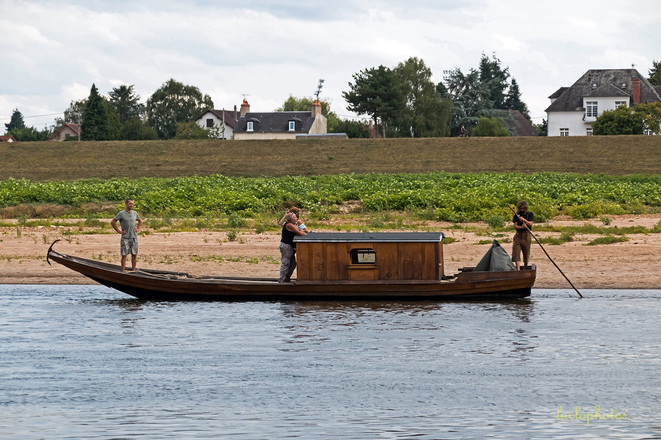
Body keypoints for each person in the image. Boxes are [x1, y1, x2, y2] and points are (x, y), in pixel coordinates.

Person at [111, 198, 142, 271]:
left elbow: (140, 221)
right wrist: (119, 231)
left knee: (134, 254)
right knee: (124, 254)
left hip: (134, 237)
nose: (131, 205)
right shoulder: (121, 213)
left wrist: (138, 229)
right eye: (130, 203)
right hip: (125, 237)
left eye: (132, 204)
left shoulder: (135, 213)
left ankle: (133, 270)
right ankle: (123, 271)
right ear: (126, 204)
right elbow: (113, 222)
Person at [279, 212, 307, 282]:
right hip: (286, 246)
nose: (296, 218)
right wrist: (302, 232)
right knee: (286, 263)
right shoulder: (289, 225)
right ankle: (282, 280)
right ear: (291, 219)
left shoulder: (292, 224)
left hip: (290, 246)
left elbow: (300, 230)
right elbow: (300, 233)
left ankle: (286, 278)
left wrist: (301, 231)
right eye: (294, 217)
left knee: (293, 263)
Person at [512, 200, 534, 270]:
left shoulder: (530, 214)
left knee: (526, 252)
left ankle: (525, 267)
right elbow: (515, 226)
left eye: (523, 208)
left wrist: (524, 220)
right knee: (516, 252)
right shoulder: (516, 215)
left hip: (526, 235)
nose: (522, 210)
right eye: (521, 208)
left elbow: (530, 224)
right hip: (518, 235)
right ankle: (518, 268)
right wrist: (521, 227)